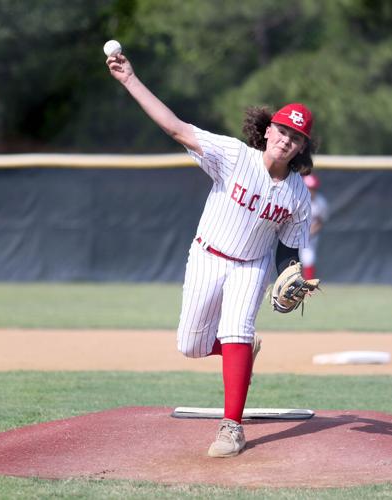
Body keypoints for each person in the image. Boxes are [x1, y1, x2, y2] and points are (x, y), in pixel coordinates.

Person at [107, 51, 316, 458]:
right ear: (268, 130)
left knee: (236, 329)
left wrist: (290, 276)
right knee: (191, 345)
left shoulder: (297, 195)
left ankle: (231, 427)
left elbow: (288, 250)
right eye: (282, 131)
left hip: (251, 267)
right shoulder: (235, 155)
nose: (287, 140)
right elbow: (176, 129)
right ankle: (240, 353)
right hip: (207, 255)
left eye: (296, 138)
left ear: (301, 147)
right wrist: (130, 79)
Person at [299, 173, 329, 280]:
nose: (311, 190)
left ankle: (308, 284)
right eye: (309, 188)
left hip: (310, 236)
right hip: (293, 233)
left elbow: (321, 221)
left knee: (308, 258)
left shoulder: (320, 202)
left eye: (313, 188)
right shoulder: (297, 199)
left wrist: (311, 232)